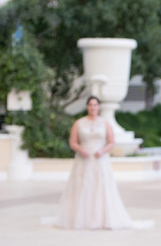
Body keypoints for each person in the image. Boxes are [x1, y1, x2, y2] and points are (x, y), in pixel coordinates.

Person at [54, 94, 150, 232]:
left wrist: (102, 151)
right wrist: (82, 150)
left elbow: (111, 142)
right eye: (90, 105)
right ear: (87, 107)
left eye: (95, 105)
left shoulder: (105, 123)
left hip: (100, 159)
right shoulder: (79, 123)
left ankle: (102, 218)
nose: (93, 107)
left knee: (101, 187)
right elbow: (73, 142)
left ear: (98, 107)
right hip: (83, 159)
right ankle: (81, 218)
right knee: (83, 186)